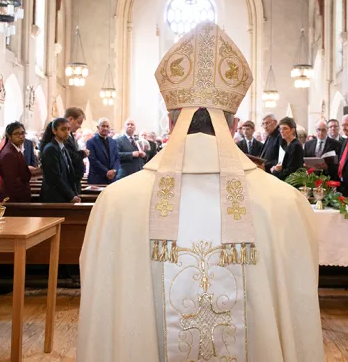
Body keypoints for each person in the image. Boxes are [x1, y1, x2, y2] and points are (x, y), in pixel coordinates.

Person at [76, 22, 324, 361]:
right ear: (234, 124)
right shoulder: (285, 203)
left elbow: (100, 303)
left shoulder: (115, 203)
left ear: (170, 120)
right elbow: (299, 304)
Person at [40, 118, 81, 203]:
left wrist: (74, 193)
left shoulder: (62, 147)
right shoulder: (50, 149)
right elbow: (55, 177)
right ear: (54, 131)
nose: (67, 132)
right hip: (54, 197)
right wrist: (70, 196)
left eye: (68, 129)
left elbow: (68, 173)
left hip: (62, 195)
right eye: (63, 129)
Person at [0, 122, 32, 202]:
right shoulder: (9, 154)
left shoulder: (14, 149)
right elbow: (12, 182)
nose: (21, 136)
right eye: (16, 134)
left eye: (23, 133)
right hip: (13, 199)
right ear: (9, 136)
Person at [86, 117, 120, 184]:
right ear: (98, 127)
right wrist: (106, 172)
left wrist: (114, 170)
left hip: (112, 179)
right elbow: (93, 160)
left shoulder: (113, 142)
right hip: (97, 178)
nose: (105, 128)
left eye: (107, 126)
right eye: (103, 126)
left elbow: (117, 158)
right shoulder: (91, 142)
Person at [64, 107, 89, 192]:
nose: (80, 126)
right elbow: (68, 155)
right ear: (70, 119)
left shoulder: (70, 135)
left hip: (74, 181)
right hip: (68, 182)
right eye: (79, 122)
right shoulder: (61, 137)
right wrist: (82, 153)